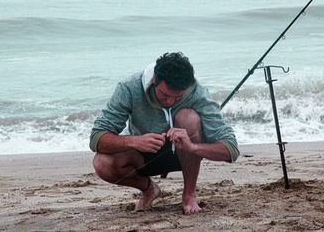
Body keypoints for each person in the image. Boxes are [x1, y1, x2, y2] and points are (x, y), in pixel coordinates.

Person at [90, 52, 239, 214]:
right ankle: (149, 189)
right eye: (165, 95)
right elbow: (96, 138)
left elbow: (231, 149)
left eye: (178, 97)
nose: (169, 102)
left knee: (188, 117)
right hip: (143, 156)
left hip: (186, 157)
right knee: (102, 162)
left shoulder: (197, 93)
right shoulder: (129, 88)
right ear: (154, 79)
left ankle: (189, 195)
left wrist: (192, 147)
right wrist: (134, 141)